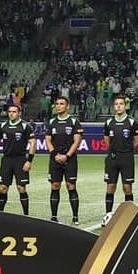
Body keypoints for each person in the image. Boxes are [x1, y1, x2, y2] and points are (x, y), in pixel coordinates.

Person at [102, 94, 138, 224]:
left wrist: (129, 152)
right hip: (112, 158)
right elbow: (107, 140)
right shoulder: (109, 122)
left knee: (127, 187)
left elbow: (137, 141)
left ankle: (129, 215)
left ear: (125, 106)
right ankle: (108, 215)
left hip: (127, 157)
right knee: (110, 186)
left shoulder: (131, 122)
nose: (118, 106)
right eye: (116, 104)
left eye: (121, 104)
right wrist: (113, 151)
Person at [0, 102, 36, 215]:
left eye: (14, 112)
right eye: (10, 112)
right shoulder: (2, 126)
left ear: (19, 113)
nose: (11, 114)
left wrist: (29, 161)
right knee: (3, 188)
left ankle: (26, 215)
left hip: (20, 160)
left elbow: (32, 143)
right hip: (6, 160)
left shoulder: (26, 126)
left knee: (21, 188)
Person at [45, 96, 82, 224]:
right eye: (57, 104)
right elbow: (48, 140)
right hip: (55, 158)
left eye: (61, 104)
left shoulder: (73, 121)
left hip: (70, 159)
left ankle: (75, 216)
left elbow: (77, 141)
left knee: (70, 185)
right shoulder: (51, 122)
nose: (58, 106)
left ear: (67, 106)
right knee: (55, 186)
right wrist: (55, 154)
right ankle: (54, 217)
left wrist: (66, 156)